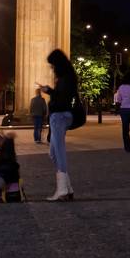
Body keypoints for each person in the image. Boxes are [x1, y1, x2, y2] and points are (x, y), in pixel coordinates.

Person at [38, 49, 78, 200]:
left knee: (59, 152)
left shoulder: (65, 78)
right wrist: (49, 91)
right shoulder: (68, 77)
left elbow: (63, 99)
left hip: (59, 116)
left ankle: (62, 189)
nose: (52, 68)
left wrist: (52, 93)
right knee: (53, 153)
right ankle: (67, 188)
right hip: (61, 115)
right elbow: (62, 96)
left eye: (52, 65)